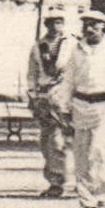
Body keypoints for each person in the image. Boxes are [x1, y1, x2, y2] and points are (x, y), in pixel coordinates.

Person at [51, 10, 105, 208]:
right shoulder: (77, 49)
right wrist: (63, 108)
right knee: (81, 154)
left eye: (94, 25)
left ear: (103, 26)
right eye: (86, 25)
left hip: (104, 105)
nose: (89, 29)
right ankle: (86, 201)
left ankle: (102, 197)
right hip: (80, 105)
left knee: (99, 152)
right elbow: (68, 80)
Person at [27, 13, 75, 197]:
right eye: (52, 23)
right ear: (46, 25)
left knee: (61, 139)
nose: (56, 27)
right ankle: (55, 179)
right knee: (47, 139)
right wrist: (33, 95)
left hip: (64, 95)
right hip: (44, 95)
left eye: (59, 23)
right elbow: (32, 73)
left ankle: (67, 179)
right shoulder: (38, 46)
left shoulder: (71, 44)